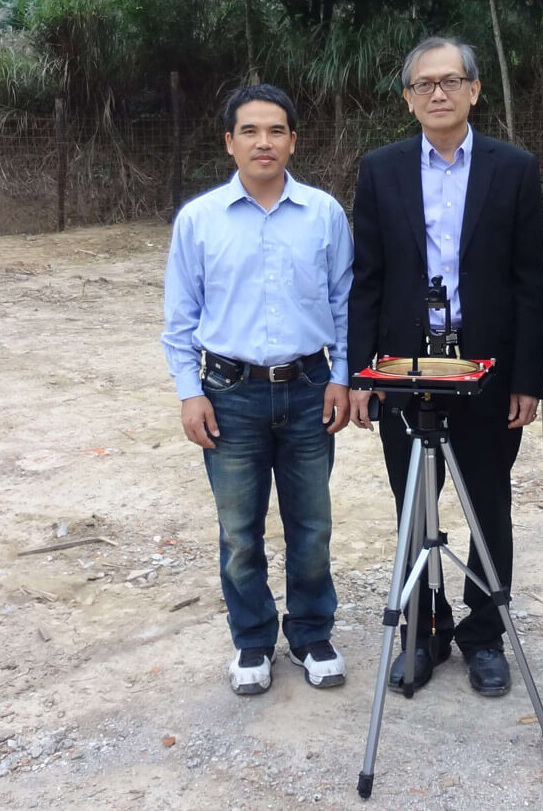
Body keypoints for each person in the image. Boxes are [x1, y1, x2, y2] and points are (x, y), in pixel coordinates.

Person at [348, 37, 543, 697]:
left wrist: (528, 378)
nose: (438, 92)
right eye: (425, 83)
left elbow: (528, 280)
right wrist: (359, 374)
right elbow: (368, 278)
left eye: (451, 80)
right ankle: (421, 628)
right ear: (408, 97)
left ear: (474, 90)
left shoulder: (513, 167)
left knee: (487, 500)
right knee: (414, 504)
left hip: (485, 366)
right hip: (405, 367)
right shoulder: (380, 170)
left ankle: (484, 633)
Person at [162, 83, 353, 696]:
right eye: (250, 131)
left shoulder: (324, 214)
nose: (263, 142)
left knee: (312, 522)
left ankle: (311, 633)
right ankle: (251, 640)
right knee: (239, 529)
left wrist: (343, 377)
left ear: (294, 140)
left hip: (308, 388)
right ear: (230, 142)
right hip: (228, 393)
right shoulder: (198, 220)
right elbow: (180, 318)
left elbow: (346, 304)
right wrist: (190, 391)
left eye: (276, 131)